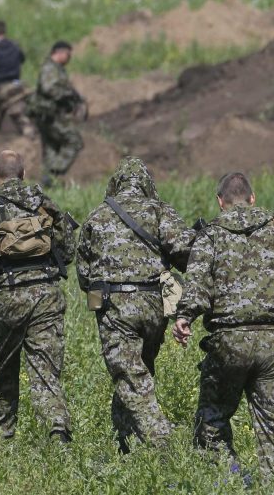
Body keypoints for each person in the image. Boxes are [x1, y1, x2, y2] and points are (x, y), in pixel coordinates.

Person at [173, 172, 274, 477]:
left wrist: (184, 317)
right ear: (252, 197)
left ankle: (229, 487)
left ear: (220, 202)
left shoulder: (211, 234)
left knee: (212, 421)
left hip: (228, 343)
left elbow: (197, 283)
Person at [77, 157, 197, 453]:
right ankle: (126, 446)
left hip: (114, 307)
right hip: (154, 306)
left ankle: (162, 442)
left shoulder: (97, 216)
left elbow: (83, 274)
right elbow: (186, 252)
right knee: (136, 371)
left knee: (130, 375)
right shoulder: (160, 211)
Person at [0, 150, 76, 441]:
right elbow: (68, 252)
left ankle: (4, 436)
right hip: (47, 297)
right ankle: (58, 431)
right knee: (46, 371)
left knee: (2, 372)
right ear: (24, 174)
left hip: (6, 299)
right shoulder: (46, 205)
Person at [28, 41, 87, 187]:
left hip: (50, 115)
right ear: (59, 52)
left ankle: (47, 184)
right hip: (50, 116)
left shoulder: (57, 69)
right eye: (68, 54)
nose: (69, 57)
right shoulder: (50, 68)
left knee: (51, 149)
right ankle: (54, 171)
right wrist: (68, 95)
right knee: (74, 141)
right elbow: (49, 88)